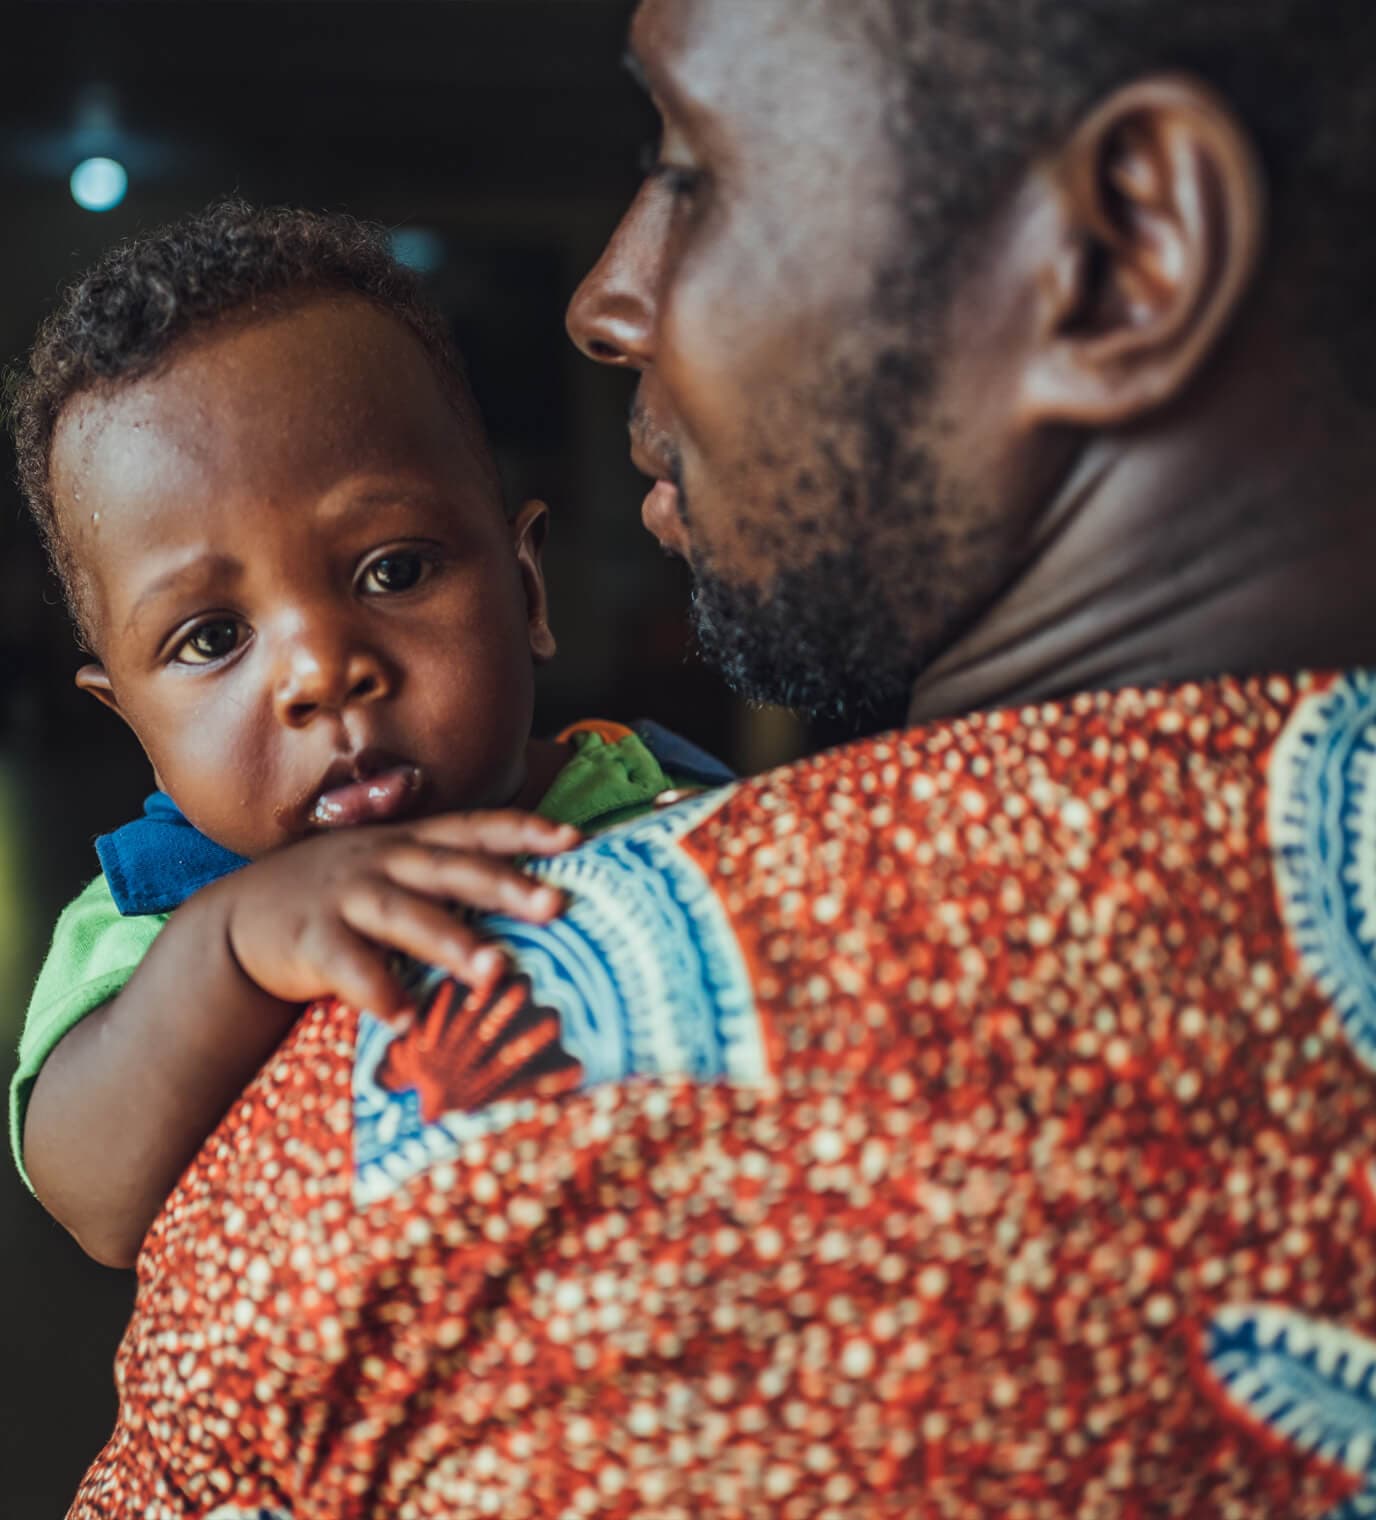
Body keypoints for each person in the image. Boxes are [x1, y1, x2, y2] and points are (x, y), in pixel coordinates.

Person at [63, 0, 1376, 1515]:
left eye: (694, 164)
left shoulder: (406, 1124)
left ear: (1123, 253)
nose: (606, 298)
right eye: (209, 638)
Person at [8, 199, 726, 1272]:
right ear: (135, 726)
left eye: (392, 571)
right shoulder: (157, 912)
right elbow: (93, 1194)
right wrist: (232, 950)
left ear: (525, 589)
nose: (319, 672)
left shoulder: (642, 792)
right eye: (210, 637)